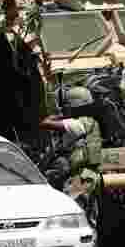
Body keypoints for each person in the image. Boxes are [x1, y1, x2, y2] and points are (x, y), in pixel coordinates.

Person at [39, 86, 102, 214]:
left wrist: (61, 114)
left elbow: (45, 123)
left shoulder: (78, 124)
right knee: (87, 213)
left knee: (73, 212)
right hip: (88, 174)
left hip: (78, 177)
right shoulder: (90, 122)